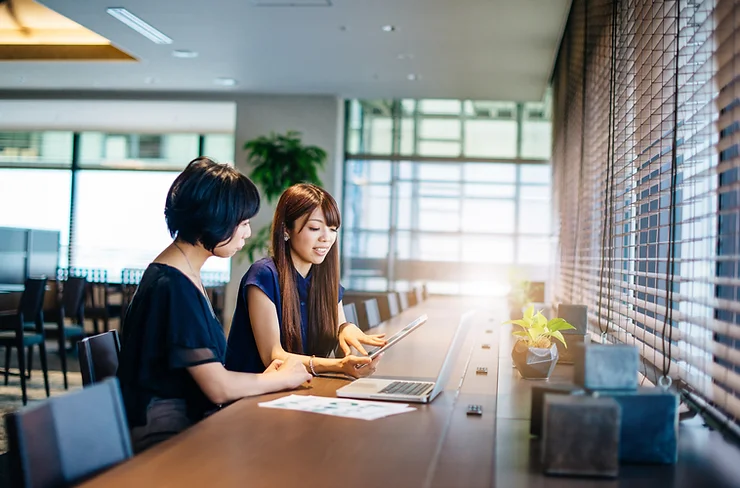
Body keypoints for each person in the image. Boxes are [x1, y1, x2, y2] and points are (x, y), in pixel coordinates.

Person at [117, 157, 311, 453]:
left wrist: (269, 378)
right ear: (215, 218)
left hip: (189, 422)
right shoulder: (173, 286)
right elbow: (217, 386)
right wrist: (280, 379)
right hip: (167, 437)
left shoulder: (178, 272)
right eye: (243, 222)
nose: (247, 232)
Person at [226, 183, 386, 377]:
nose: (326, 238)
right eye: (315, 228)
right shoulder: (264, 275)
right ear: (286, 229)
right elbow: (273, 356)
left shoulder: (325, 281)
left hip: (300, 391)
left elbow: (340, 328)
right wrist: (337, 366)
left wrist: (347, 330)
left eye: (333, 229)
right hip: (252, 396)